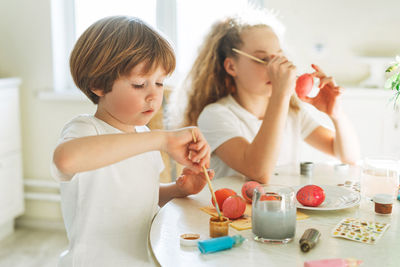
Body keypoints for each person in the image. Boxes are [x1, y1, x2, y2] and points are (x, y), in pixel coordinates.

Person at [51, 16, 212, 266]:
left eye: (160, 83)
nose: (153, 95)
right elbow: (65, 160)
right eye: (139, 84)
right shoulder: (86, 129)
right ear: (97, 85)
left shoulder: (145, 137)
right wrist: (162, 140)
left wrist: (179, 189)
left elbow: (140, 197)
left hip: (143, 259)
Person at [170, 11, 359, 183]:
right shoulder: (216, 115)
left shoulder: (292, 113)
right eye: (262, 59)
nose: (273, 68)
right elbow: (258, 172)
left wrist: (337, 114)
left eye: (278, 57)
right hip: (236, 218)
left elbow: (348, 156)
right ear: (231, 67)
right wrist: (280, 94)